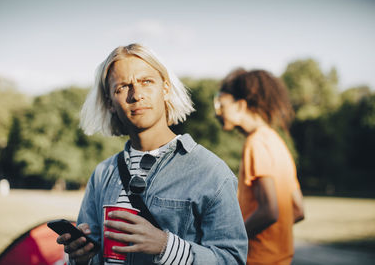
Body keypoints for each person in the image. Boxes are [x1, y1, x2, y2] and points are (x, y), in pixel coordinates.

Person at [57, 43, 248, 265]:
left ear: (165, 88)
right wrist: (81, 258)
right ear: (110, 103)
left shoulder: (211, 172)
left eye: (146, 82)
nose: (136, 94)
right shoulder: (102, 174)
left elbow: (232, 260)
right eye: (122, 87)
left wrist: (165, 245)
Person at [214, 69, 305, 265]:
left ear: (240, 105)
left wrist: (231, 241)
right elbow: (298, 210)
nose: (217, 113)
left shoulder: (255, 143)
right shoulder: (277, 142)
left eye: (221, 104)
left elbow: (269, 211)